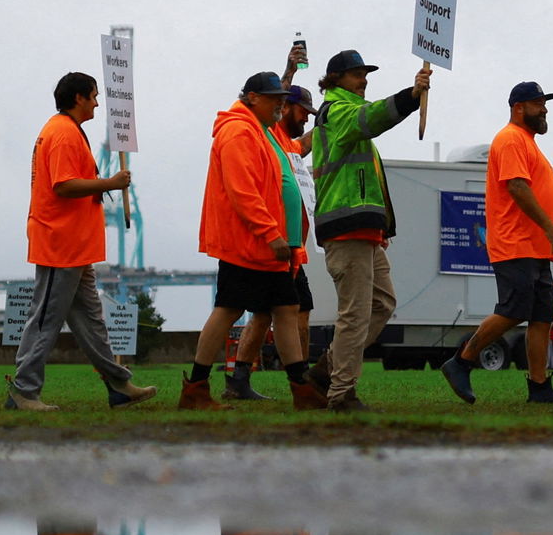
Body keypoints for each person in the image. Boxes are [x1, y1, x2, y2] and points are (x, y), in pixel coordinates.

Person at [6, 73, 158, 412]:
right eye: (93, 96)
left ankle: (119, 384)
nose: (97, 103)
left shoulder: (66, 130)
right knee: (45, 318)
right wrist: (110, 182)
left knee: (91, 320)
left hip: (75, 245)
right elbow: (63, 185)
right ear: (78, 98)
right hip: (61, 242)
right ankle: (23, 391)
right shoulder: (62, 134)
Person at [441, 82, 553, 405]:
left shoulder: (529, 144)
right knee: (514, 311)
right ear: (518, 108)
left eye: (545, 103)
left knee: (541, 317)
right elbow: (517, 188)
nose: (545, 109)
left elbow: (541, 192)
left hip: (535, 248)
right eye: (539, 103)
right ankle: (462, 361)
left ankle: (539, 387)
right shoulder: (510, 139)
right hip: (515, 243)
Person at [180, 72, 326, 411]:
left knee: (286, 309)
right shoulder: (237, 132)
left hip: (268, 245)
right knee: (229, 310)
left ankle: (300, 388)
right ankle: (197, 388)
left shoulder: (262, 130)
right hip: (249, 243)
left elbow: (290, 160)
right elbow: (241, 190)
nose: (281, 104)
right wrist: (271, 233)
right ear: (253, 98)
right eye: (275, 98)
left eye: (282, 98)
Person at [307, 50, 432, 411]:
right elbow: (372, 117)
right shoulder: (339, 112)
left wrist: (383, 227)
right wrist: (411, 95)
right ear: (334, 80)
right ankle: (341, 393)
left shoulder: (341, 116)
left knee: (381, 304)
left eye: (364, 74)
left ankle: (326, 371)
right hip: (347, 230)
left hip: (362, 231)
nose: (363, 80)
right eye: (355, 74)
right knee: (356, 313)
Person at [226, 74, 319, 401]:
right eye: (303, 110)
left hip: (289, 244)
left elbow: (302, 149)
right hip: (278, 242)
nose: (306, 116)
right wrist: (290, 71)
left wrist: (323, 126)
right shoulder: (271, 131)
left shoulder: (287, 144)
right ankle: (303, 380)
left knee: (265, 313)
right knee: (296, 311)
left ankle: (238, 380)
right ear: (283, 107)